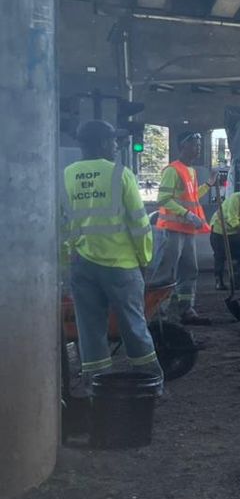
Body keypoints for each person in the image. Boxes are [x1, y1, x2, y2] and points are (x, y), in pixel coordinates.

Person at [62, 121, 162, 394]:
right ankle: (151, 383)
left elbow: (63, 222)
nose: (117, 146)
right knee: (133, 325)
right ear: (102, 143)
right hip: (121, 265)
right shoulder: (120, 174)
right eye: (113, 141)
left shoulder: (68, 175)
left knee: (90, 328)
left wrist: (68, 259)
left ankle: (96, 387)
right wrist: (144, 260)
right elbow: (139, 224)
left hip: (82, 263)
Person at [150, 132, 216, 325]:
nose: (198, 149)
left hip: (187, 231)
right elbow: (163, 199)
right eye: (194, 145)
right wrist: (187, 215)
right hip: (172, 229)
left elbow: (193, 196)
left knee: (189, 270)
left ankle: (186, 310)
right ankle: (157, 313)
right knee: (166, 271)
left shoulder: (191, 171)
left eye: (199, 145)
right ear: (182, 146)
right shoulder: (172, 170)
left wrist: (208, 185)